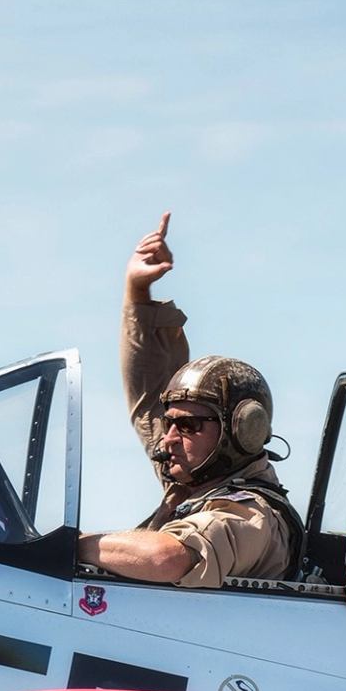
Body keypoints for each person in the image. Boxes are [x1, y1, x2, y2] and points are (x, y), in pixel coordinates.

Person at [76, 213, 302, 587]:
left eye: (187, 425)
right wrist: (137, 293)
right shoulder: (193, 477)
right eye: (170, 423)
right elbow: (149, 393)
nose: (167, 438)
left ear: (241, 432)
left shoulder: (253, 517)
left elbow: (169, 558)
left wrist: (72, 545)